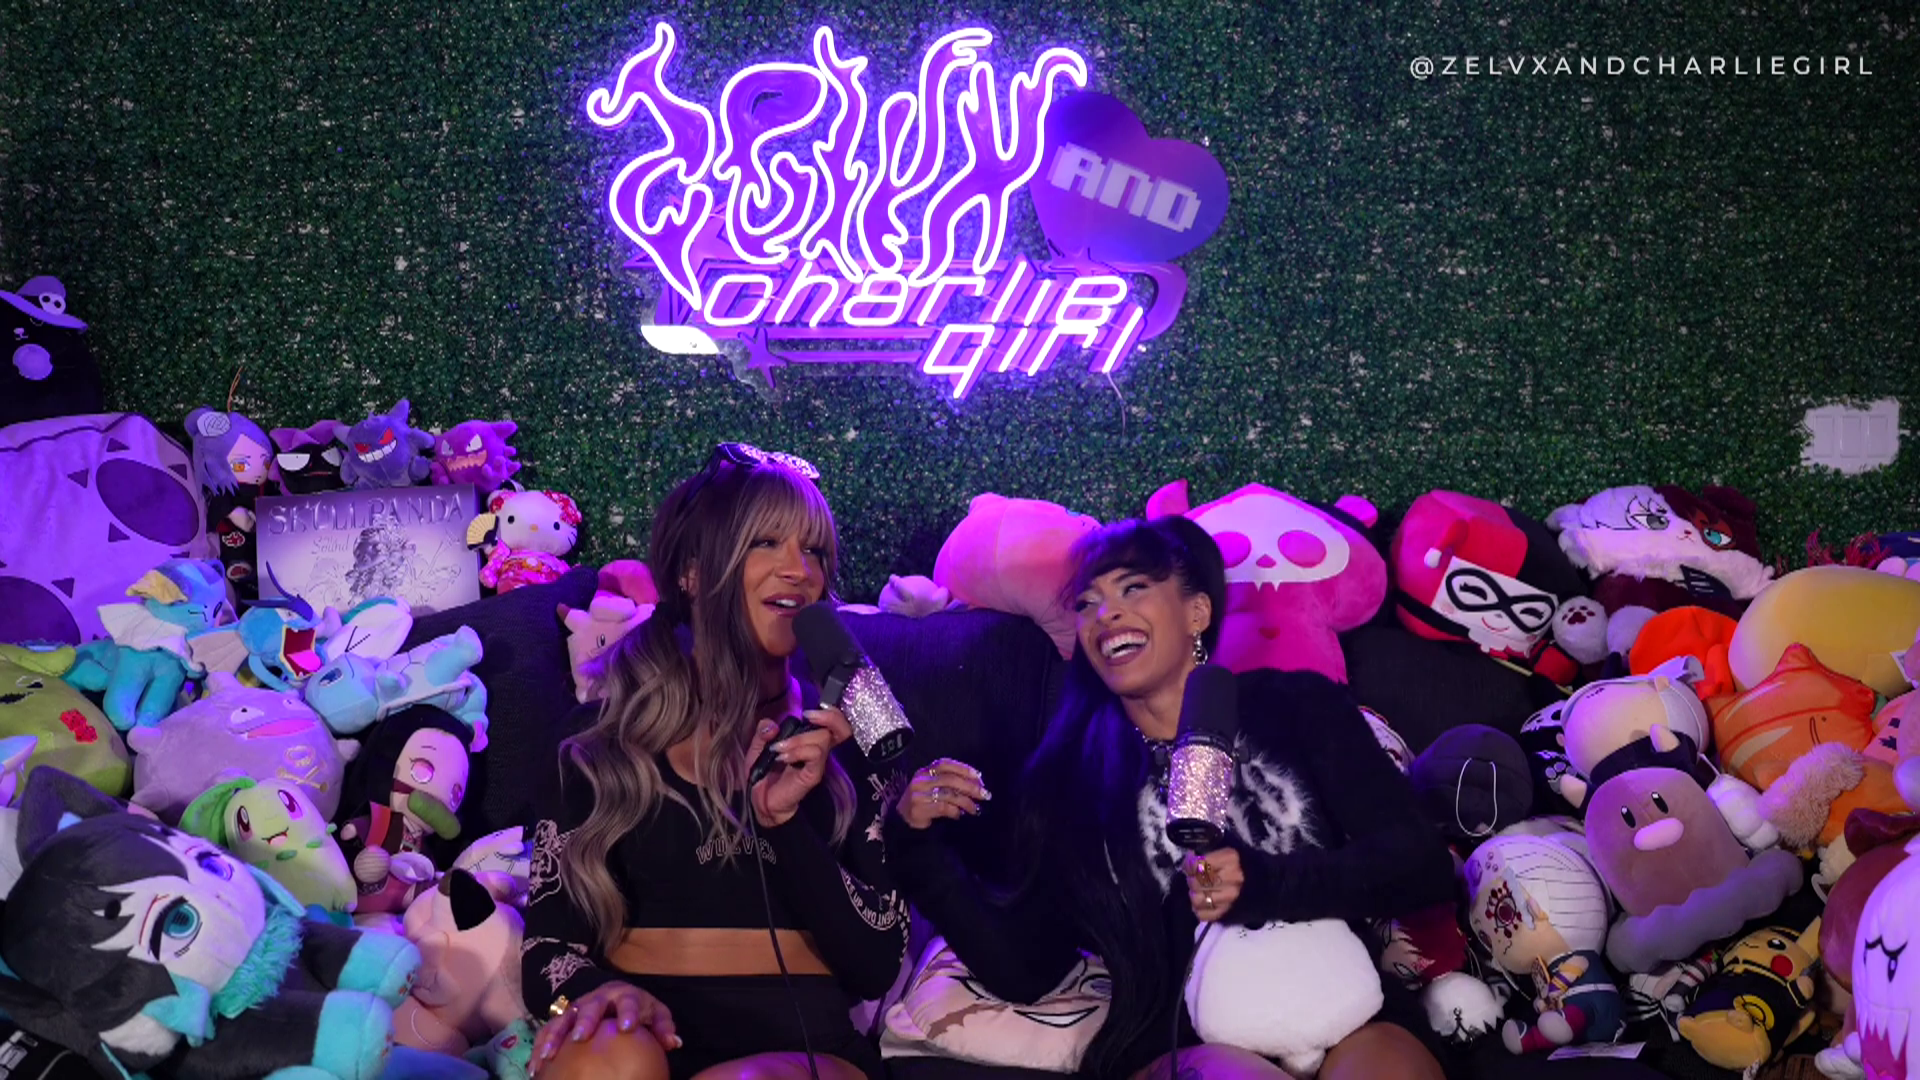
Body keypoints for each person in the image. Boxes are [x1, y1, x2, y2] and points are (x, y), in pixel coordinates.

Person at [885, 516, 1455, 1080]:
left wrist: (1264, 885)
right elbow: (1026, 968)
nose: (1105, 613)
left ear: (1197, 612)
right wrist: (916, 846)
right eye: (1086, 603)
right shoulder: (1069, 781)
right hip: (1189, 1035)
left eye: (1132, 587)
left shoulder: (1299, 706)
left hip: (1341, 998)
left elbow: (1420, 865)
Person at [522, 443, 909, 1080]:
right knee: (607, 1060)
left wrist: (785, 826)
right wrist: (591, 993)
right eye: (766, 543)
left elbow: (876, 965)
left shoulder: (854, 735)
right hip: (646, 1034)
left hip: (807, 1048)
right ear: (693, 574)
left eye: (815, 551)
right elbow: (545, 951)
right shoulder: (598, 745)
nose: (799, 570)